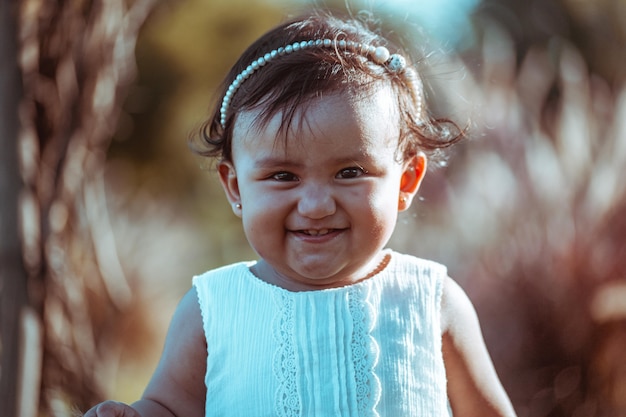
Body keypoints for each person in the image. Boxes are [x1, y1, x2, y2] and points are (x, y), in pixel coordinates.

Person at [85, 9, 516, 417]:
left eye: (350, 172)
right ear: (236, 187)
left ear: (405, 180)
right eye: (282, 176)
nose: (315, 205)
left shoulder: (431, 300)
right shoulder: (213, 308)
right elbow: (169, 406)